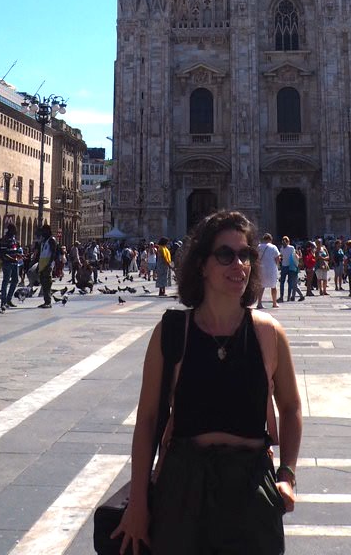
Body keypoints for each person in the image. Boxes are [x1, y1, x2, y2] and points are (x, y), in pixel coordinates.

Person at [113, 210, 301, 555]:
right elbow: (149, 420)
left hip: (251, 487)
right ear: (202, 264)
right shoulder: (172, 332)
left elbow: (290, 408)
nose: (238, 264)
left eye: (245, 255)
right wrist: (138, 502)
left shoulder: (268, 333)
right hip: (182, 485)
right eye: (226, 255)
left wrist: (287, 475)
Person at [0, 222, 24, 310]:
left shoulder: (13, 239)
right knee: (6, 281)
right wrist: (12, 259)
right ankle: (3, 301)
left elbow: (15, 250)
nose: (16, 231)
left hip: (15, 263)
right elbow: (4, 253)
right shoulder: (4, 239)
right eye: (15, 229)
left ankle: (9, 299)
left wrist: (19, 255)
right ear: (11, 230)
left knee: (15, 280)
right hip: (7, 263)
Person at [34, 223, 59, 307]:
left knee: (47, 282)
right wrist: (38, 265)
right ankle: (46, 301)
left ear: (48, 231)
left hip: (48, 263)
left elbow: (54, 253)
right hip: (42, 263)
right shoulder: (44, 241)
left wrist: (49, 264)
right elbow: (41, 253)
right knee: (43, 282)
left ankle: (48, 302)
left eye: (44, 231)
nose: (42, 233)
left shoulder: (52, 240)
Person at [257, 232, 280, 308]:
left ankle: (259, 303)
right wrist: (277, 266)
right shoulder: (273, 247)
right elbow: (277, 259)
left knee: (261, 286)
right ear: (270, 239)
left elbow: (256, 257)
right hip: (271, 269)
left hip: (261, 268)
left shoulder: (259, 246)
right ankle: (274, 303)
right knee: (273, 286)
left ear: (264, 239)